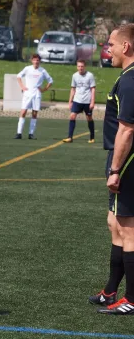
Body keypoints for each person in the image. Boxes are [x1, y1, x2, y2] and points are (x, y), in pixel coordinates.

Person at [92, 24, 134, 315]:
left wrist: (116, 169)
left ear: (126, 47)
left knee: (128, 231)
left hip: (128, 164)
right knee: (114, 224)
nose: (108, 50)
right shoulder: (126, 78)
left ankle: (131, 299)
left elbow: (127, 130)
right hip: (122, 162)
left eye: (111, 44)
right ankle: (110, 291)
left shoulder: (131, 80)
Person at [13, 54, 53, 140]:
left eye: (37, 60)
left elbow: (50, 80)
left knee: (34, 114)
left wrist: (44, 89)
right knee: (23, 112)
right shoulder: (27, 69)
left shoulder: (42, 71)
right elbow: (18, 76)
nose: (36, 62)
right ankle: (19, 133)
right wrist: (22, 87)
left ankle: (31, 134)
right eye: (34, 60)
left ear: (39, 61)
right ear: (32, 61)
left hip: (37, 95)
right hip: (27, 94)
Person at [62, 60, 96, 143]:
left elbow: (93, 89)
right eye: (79, 66)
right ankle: (70, 137)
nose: (80, 68)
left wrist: (92, 102)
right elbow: (73, 89)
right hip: (77, 100)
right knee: (72, 116)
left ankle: (92, 137)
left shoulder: (90, 76)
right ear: (77, 67)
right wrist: (70, 101)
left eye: (82, 66)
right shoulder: (74, 76)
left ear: (85, 67)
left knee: (89, 118)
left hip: (87, 101)